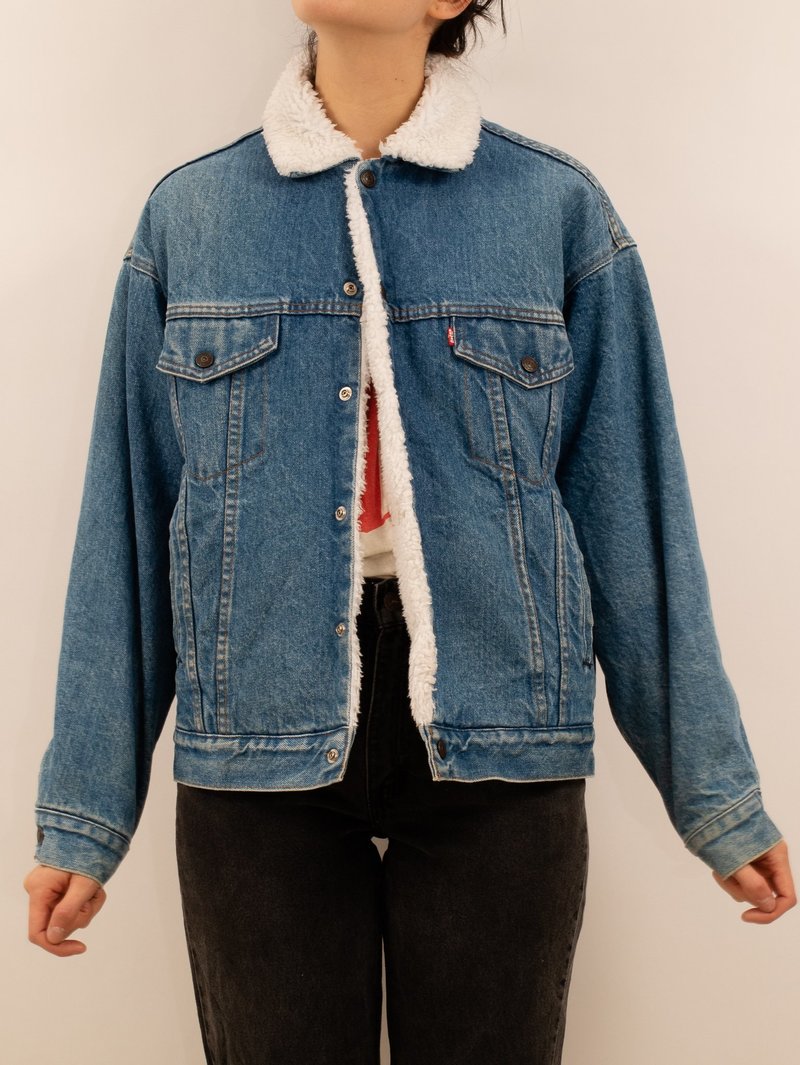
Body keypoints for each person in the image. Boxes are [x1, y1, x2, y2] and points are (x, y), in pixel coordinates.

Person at [24, 1, 794, 1062]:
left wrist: (715, 795)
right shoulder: (191, 215)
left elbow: (636, 522)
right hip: (257, 728)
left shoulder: (553, 209)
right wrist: (84, 811)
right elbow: (128, 523)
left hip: (499, 720)